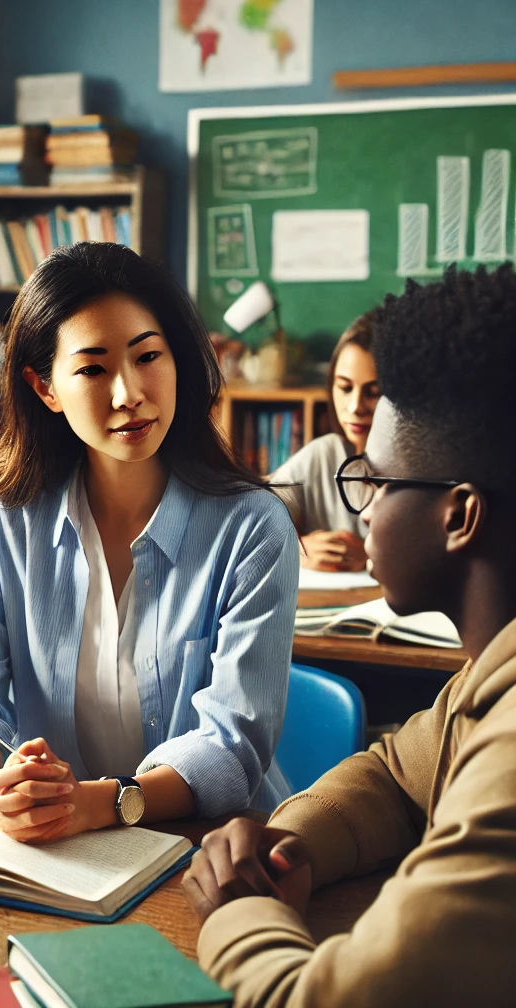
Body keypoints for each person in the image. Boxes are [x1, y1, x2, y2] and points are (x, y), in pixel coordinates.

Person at [184, 264, 516, 1007]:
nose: (361, 509)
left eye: (377, 481)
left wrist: (236, 910)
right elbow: (398, 776)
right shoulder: (488, 676)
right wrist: (288, 844)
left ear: (459, 516)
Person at [0, 243, 298, 844]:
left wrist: (97, 804)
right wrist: (1, 789)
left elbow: (232, 745)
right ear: (45, 388)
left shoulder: (253, 526)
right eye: (93, 370)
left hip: (210, 849)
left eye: (148, 356)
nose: (129, 393)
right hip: (54, 850)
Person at [270, 314, 380, 572]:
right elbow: (251, 523)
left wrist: (369, 556)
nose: (355, 407)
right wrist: (296, 547)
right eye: (345, 388)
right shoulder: (323, 455)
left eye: (374, 392)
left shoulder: (420, 469)